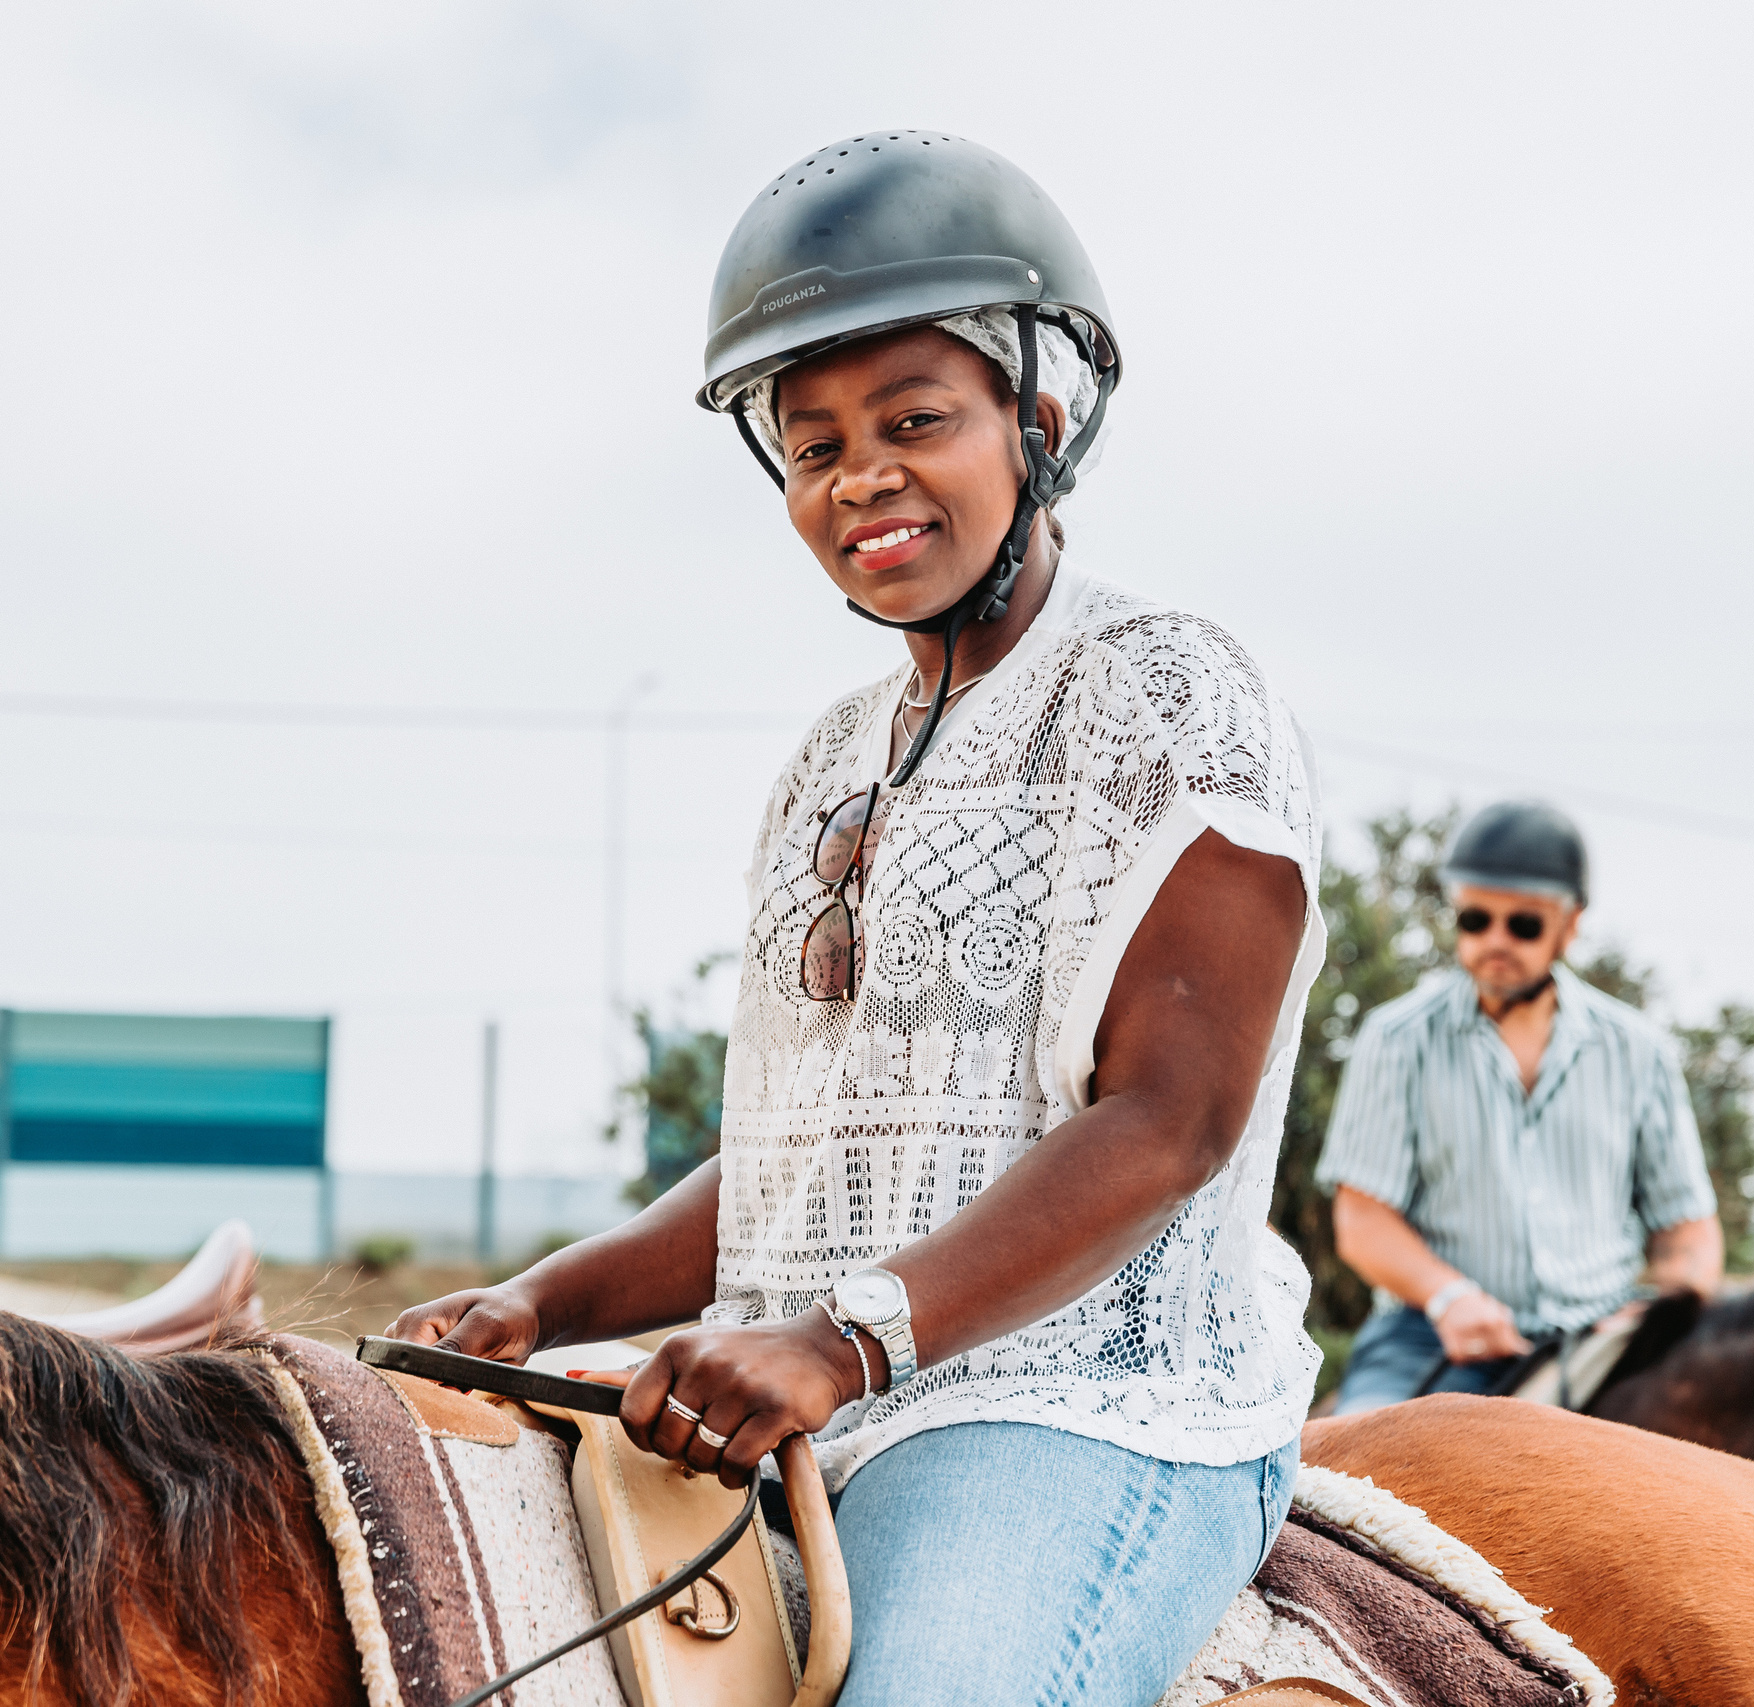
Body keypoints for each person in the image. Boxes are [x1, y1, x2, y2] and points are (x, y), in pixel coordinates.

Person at [392, 132, 1329, 1707]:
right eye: (813, 445)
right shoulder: (829, 760)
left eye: (915, 421)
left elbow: (1173, 1120)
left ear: (1038, 425)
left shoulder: (1170, 691)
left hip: (1071, 1410)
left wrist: (840, 1342)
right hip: (803, 1408)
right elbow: (802, 1163)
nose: (861, 477)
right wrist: (546, 1297)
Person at [1316, 801, 1724, 1415]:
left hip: (1602, 1340)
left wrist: (1666, 1309)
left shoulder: (1639, 1051)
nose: (1495, 941)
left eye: (1524, 925)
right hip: (1430, 1333)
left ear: (1570, 924)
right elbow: (1363, 1219)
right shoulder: (1395, 1039)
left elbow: (1685, 1228)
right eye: (1475, 919)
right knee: (1350, 1460)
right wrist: (1449, 1297)